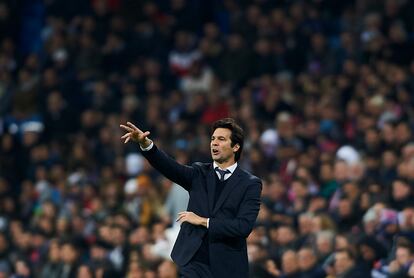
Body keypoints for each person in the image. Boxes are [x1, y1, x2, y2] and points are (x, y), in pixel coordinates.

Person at [120, 118, 262, 277]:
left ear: (235, 147)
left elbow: (243, 227)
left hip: (226, 266)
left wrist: (203, 221)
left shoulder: (250, 184)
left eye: (221, 139)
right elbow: (169, 167)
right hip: (193, 261)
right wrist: (146, 145)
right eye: (213, 139)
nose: (214, 143)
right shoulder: (199, 173)